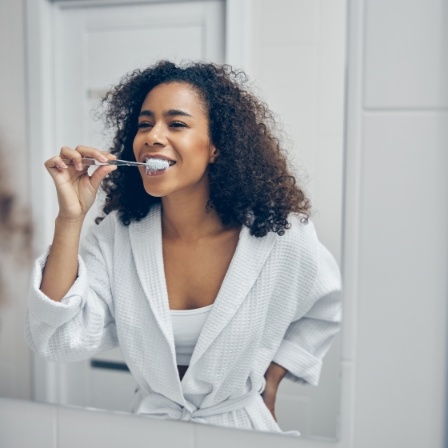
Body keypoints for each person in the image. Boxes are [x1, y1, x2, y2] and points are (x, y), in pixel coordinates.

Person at [25, 60, 341, 434]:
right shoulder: (116, 236)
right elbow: (58, 339)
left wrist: (271, 380)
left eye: (176, 124)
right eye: (145, 124)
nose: (153, 136)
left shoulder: (280, 235)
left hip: (243, 429)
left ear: (216, 148)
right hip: (153, 431)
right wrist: (70, 218)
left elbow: (325, 307)